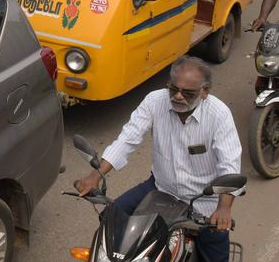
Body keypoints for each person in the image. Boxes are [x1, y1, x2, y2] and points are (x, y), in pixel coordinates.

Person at [75, 56, 242, 262]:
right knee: (111, 218)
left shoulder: (219, 115)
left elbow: (229, 164)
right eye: (174, 89)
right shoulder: (155, 101)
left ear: (205, 92)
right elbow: (128, 138)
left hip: (203, 199)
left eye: (188, 93)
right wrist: (96, 175)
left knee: (215, 244)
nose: (178, 96)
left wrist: (224, 208)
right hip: (160, 188)